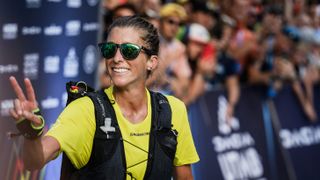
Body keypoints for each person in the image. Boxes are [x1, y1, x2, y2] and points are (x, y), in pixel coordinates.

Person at [9, 16, 199, 180]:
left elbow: (185, 177)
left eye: (129, 50)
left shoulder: (173, 110)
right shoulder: (86, 109)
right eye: (109, 49)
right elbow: (34, 161)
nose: (116, 58)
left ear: (152, 61)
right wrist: (32, 134)